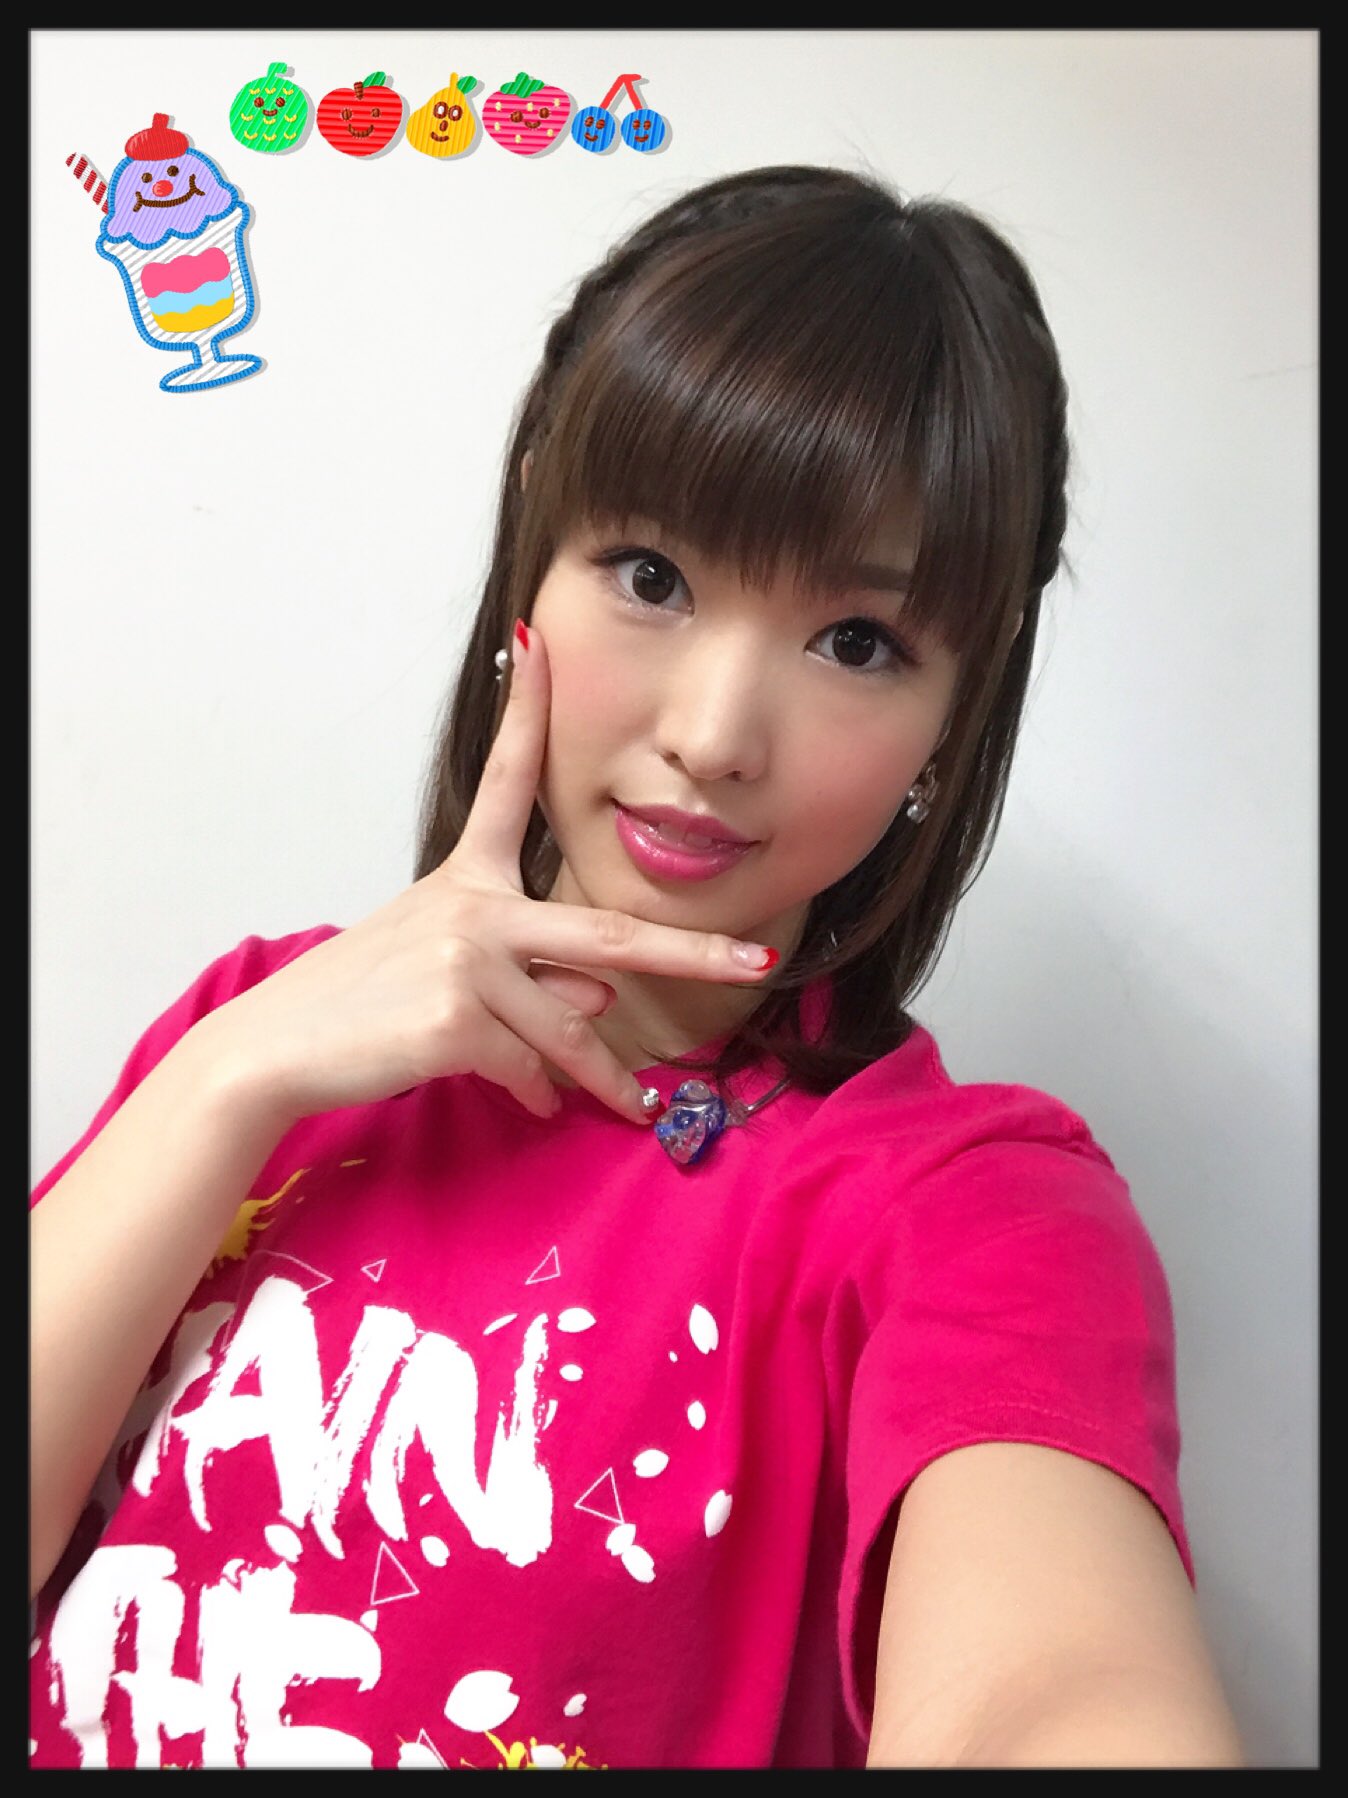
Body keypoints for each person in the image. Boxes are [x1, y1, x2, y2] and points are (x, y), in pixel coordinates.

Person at [28, 163, 1244, 1770]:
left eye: (858, 641)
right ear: (532, 553)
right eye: (652, 576)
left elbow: (1063, 1694)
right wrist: (226, 1079)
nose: (714, 735)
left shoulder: (972, 1210)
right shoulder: (258, 1027)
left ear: (954, 718)